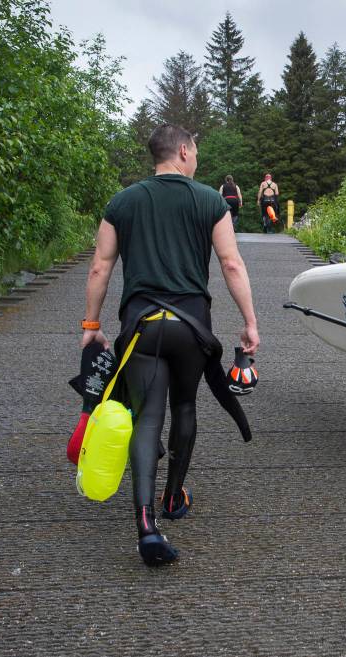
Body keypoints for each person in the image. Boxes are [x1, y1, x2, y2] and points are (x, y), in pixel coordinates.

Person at [81, 123, 260, 566]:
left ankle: (146, 526)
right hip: (191, 327)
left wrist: (91, 324)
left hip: (140, 326)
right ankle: (174, 496)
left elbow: (100, 267)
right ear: (182, 152)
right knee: (185, 408)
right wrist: (250, 323)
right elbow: (232, 264)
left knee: (146, 419)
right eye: (194, 151)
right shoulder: (209, 200)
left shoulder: (122, 202)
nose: (196, 159)